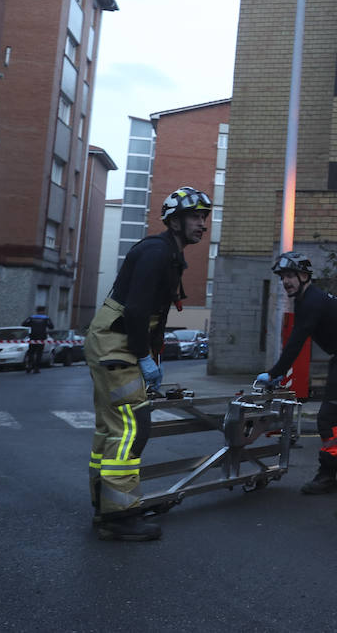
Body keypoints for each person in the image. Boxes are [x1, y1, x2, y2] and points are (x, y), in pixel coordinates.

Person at [84, 186, 211, 542]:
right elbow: (138, 310)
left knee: (112, 428)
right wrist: (142, 358)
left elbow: (156, 311)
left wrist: (152, 357)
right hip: (116, 343)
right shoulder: (157, 253)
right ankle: (120, 516)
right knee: (131, 427)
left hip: (116, 341)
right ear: (174, 221)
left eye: (204, 217)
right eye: (194, 217)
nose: (202, 223)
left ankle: (105, 506)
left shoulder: (169, 254)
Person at [256, 251, 337, 494]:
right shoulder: (308, 299)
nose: (286, 281)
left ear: (304, 275)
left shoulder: (311, 300)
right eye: (283, 277)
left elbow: (297, 340)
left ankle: (329, 473)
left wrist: (274, 372)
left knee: (329, 419)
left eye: (290, 275)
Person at [23, 308, 53, 374]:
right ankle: (36, 368)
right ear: (43, 311)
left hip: (33, 337)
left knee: (31, 352)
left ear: (37, 311)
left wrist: (32, 325)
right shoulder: (46, 318)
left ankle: (29, 366)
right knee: (39, 353)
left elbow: (24, 324)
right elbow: (51, 326)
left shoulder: (31, 317)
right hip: (41, 338)